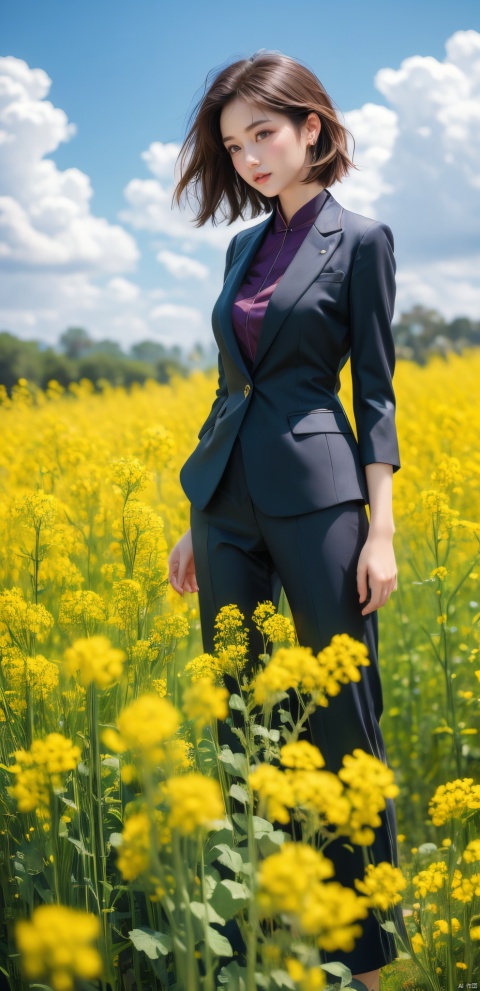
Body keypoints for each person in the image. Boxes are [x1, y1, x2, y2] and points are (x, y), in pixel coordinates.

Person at [168, 50, 407, 991]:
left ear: (312, 127)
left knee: (345, 719)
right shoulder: (238, 251)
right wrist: (199, 509)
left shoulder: (363, 239)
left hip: (322, 500)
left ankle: (368, 956)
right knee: (241, 715)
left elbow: (378, 397)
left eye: (262, 134)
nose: (250, 158)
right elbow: (233, 388)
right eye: (234, 146)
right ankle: (271, 936)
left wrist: (379, 528)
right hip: (226, 506)